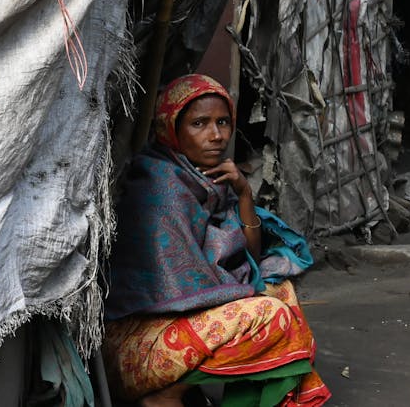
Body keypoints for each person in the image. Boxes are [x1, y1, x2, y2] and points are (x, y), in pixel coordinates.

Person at [104, 74, 330, 407]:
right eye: (199, 123)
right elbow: (180, 290)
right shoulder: (159, 191)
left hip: (177, 322)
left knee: (281, 292)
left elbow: (249, 256)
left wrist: (244, 194)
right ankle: (165, 394)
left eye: (223, 122)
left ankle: (192, 393)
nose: (216, 135)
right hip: (136, 343)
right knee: (272, 314)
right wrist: (250, 299)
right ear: (171, 129)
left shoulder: (205, 181)